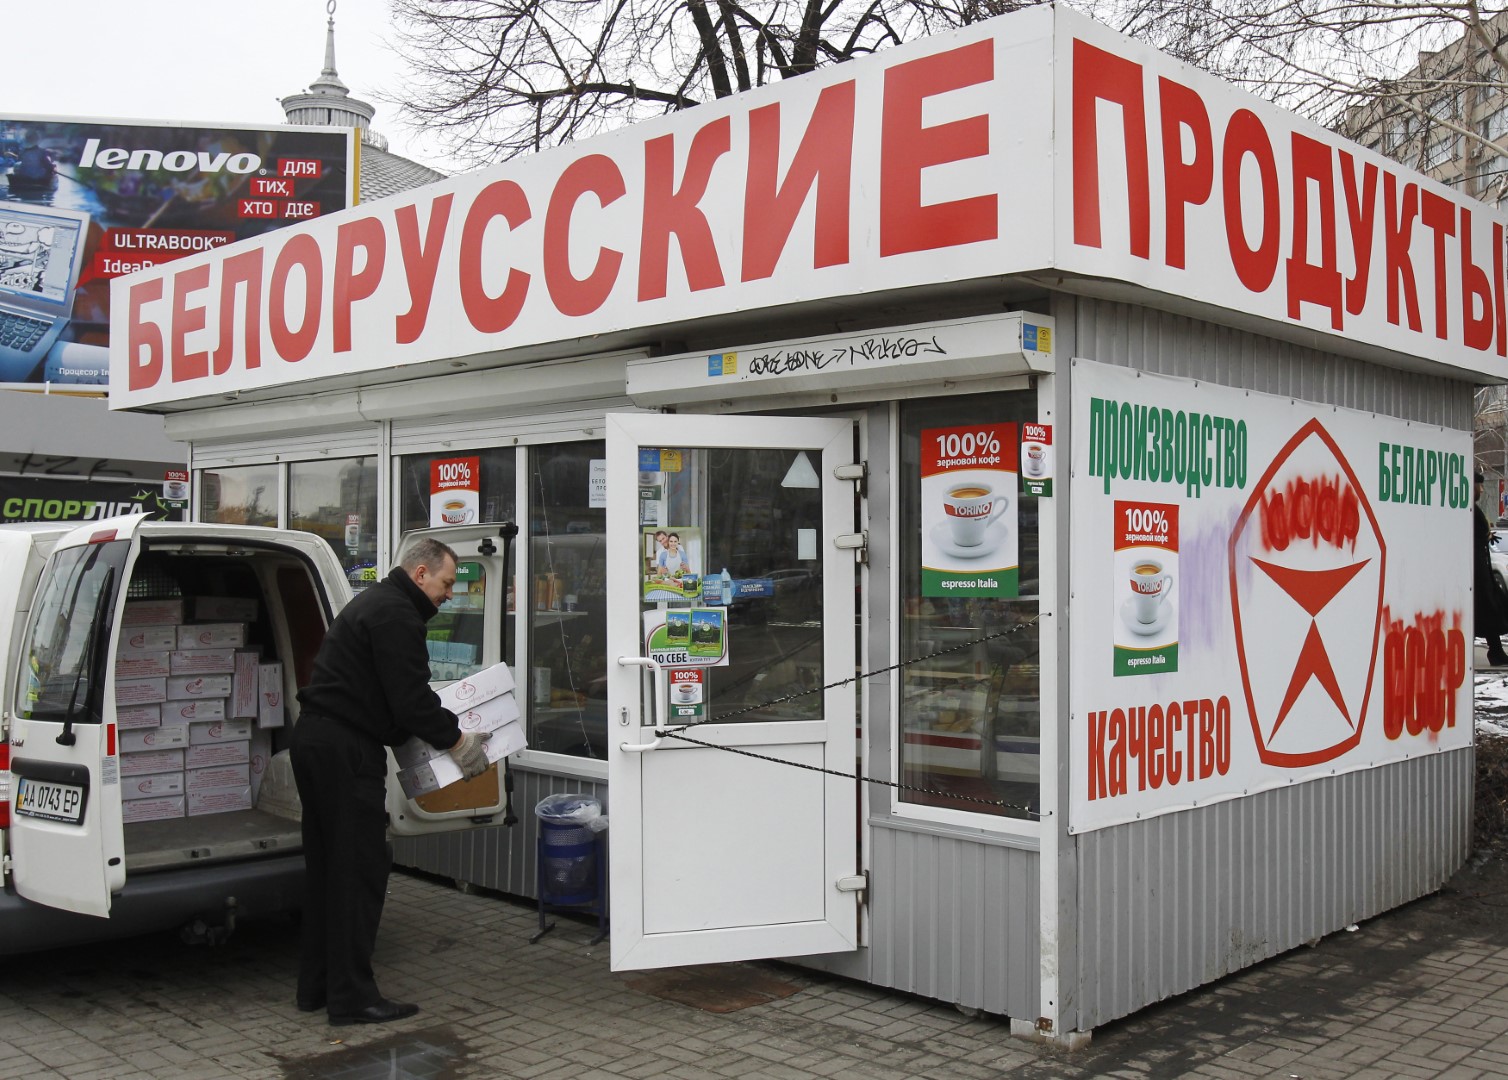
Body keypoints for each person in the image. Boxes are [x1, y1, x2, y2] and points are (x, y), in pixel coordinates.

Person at [291, 538, 491, 1026]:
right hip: (345, 750)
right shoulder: (397, 615)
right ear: (420, 573)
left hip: (317, 740)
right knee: (358, 872)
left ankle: (317, 987)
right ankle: (352, 999)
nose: (449, 595)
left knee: (328, 871)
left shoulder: (375, 604)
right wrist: (458, 742)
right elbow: (411, 700)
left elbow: (390, 698)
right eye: (446, 583)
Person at [1475, 472, 1508, 667]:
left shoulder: (1473, 511)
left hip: (1481, 571)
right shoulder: (1469, 511)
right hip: (1477, 573)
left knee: (1487, 612)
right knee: (1485, 611)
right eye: (1479, 485)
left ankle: (1496, 651)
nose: (1481, 489)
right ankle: (1495, 652)